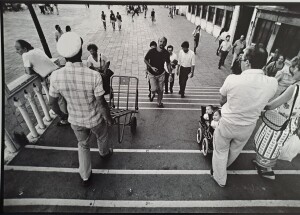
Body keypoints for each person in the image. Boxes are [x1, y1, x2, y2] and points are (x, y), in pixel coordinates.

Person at [49, 32, 114, 186]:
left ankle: (85, 175)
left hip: (75, 120)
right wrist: (109, 118)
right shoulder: (94, 75)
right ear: (80, 51)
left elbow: (52, 103)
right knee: (102, 136)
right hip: (95, 119)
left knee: (83, 145)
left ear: (64, 55)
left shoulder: (56, 76)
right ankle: (104, 153)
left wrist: (63, 115)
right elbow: (101, 103)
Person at [211, 45, 278, 187]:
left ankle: (219, 177)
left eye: (242, 58)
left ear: (247, 62)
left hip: (228, 123)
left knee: (221, 150)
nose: (240, 61)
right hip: (248, 126)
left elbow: (221, 101)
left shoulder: (232, 79)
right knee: (234, 150)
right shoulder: (272, 83)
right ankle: (224, 168)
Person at [253, 62, 300, 180]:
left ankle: (266, 170)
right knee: (276, 146)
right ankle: (263, 166)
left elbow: (273, 105)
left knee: (269, 144)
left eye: (296, 68)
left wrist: (259, 104)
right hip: (291, 123)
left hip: (279, 121)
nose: (293, 70)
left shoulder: (294, 88)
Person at [15, 39, 68, 126]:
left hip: (52, 78)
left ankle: (64, 117)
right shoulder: (37, 50)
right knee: (62, 99)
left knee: (52, 103)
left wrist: (33, 70)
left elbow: (28, 72)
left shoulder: (25, 55)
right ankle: (66, 119)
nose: (16, 52)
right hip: (58, 71)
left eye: (18, 49)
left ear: (24, 49)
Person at [144, 37, 171, 108]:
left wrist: (170, 74)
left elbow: (168, 64)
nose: (162, 43)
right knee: (154, 89)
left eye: (164, 42)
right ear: (158, 42)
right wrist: (151, 67)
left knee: (161, 89)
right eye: (160, 41)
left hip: (161, 74)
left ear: (166, 43)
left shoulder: (166, 53)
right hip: (152, 74)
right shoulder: (152, 51)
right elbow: (145, 59)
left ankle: (159, 102)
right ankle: (152, 92)